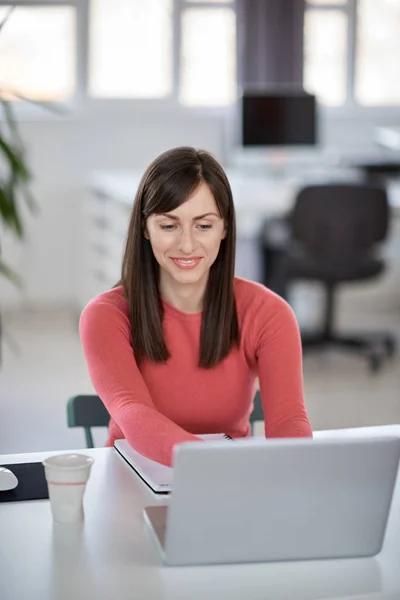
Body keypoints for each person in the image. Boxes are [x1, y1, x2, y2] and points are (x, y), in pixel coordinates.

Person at [80, 147, 312, 467]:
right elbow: (135, 415)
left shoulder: (269, 313)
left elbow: (289, 421)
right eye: (169, 225)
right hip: (134, 476)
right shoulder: (106, 315)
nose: (187, 244)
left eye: (203, 225)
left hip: (228, 484)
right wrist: (217, 467)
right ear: (145, 228)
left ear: (225, 227)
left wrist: (295, 476)